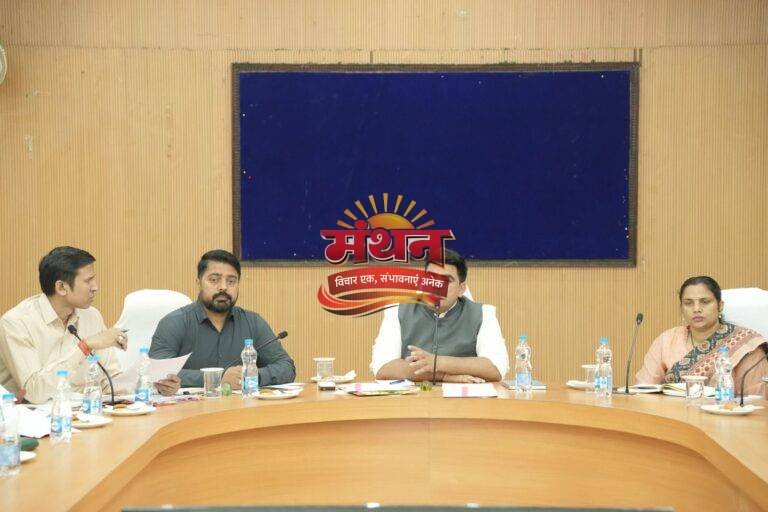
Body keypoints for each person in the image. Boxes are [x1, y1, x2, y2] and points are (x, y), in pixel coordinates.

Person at [0, 247, 164, 404]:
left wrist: (153, 385)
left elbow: (109, 382)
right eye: (88, 281)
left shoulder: (92, 316)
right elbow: (34, 392)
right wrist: (84, 347)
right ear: (61, 287)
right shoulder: (16, 323)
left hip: (82, 413)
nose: (95, 287)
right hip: (31, 417)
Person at [150, 249, 295, 390]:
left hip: (241, 405)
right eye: (214, 280)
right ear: (199, 283)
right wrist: (217, 378)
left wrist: (252, 376)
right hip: (191, 405)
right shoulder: (174, 323)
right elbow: (156, 371)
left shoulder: (253, 322)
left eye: (231, 281)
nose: (223, 287)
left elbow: (287, 367)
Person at [370, 249, 509, 383]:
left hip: (465, 397)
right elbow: (383, 368)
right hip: (414, 397)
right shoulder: (397, 310)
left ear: (461, 289)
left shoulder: (483, 314)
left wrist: (439, 362)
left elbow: (496, 368)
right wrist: (443, 376)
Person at [636, 276, 768, 394]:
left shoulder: (745, 346)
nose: (696, 309)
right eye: (688, 303)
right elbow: (643, 389)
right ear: (681, 308)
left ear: (720, 306)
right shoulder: (667, 340)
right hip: (669, 412)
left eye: (705, 301)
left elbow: (756, 402)